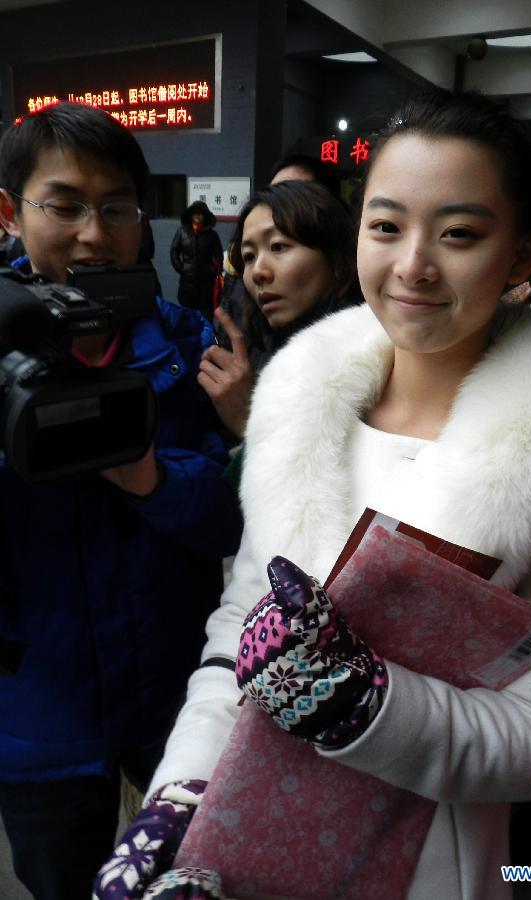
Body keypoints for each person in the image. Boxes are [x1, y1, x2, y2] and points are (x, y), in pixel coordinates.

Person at [96, 91, 531, 900]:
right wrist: (181, 797)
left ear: (521, 254)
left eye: (459, 234)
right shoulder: (298, 400)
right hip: (245, 846)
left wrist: (365, 704)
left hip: (424, 869)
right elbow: (239, 633)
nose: (412, 264)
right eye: (385, 226)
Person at [0, 101, 242, 900]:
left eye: (116, 208)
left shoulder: (188, 344)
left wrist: (149, 477)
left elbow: (234, 519)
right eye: (63, 206)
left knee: (194, 877)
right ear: (11, 211)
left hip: (174, 691)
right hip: (38, 710)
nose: (93, 234)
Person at [199, 180, 358, 440]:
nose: (259, 272)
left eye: (278, 247)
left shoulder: (372, 367)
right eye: (249, 256)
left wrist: (247, 419)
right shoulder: (257, 343)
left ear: (334, 255)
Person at [170, 200, 223, 323]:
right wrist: (181, 268)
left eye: (201, 214)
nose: (198, 216)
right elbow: (174, 252)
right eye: (195, 213)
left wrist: (213, 270)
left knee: (206, 319)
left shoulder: (212, 235)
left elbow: (219, 256)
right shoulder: (181, 232)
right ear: (190, 215)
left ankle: (207, 341)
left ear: (205, 216)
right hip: (187, 284)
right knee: (187, 317)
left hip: (206, 284)